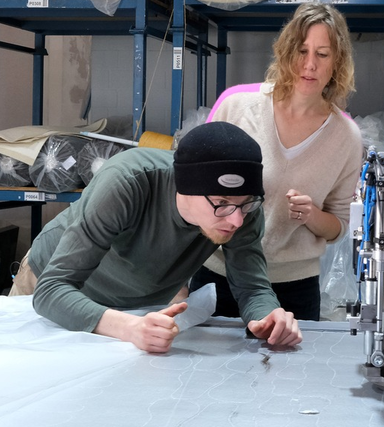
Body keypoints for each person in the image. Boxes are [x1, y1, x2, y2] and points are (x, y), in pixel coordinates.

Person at [9, 121, 302, 353]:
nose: (237, 219)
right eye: (222, 203)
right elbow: (52, 290)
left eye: (245, 204)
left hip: (137, 311)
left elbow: (252, 287)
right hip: (59, 290)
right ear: (185, 189)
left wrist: (267, 316)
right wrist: (128, 327)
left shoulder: (243, 207)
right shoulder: (127, 183)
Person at [192, 2, 362, 321]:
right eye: (301, 50)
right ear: (285, 52)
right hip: (220, 275)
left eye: (322, 54)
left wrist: (312, 215)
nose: (309, 64)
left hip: (293, 289)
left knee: (289, 372)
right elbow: (191, 192)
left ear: (337, 62)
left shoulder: (347, 138)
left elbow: (339, 227)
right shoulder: (237, 108)